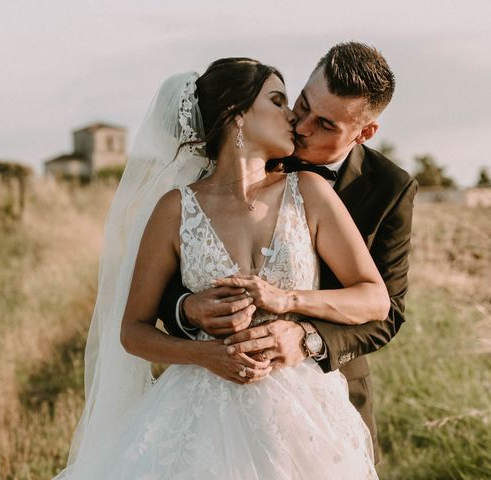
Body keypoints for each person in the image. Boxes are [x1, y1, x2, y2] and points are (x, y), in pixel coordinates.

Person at [54, 58, 388, 479]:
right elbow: (132, 331)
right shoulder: (175, 209)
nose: (293, 118)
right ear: (237, 115)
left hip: (303, 417)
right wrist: (204, 354)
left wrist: (288, 302)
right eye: (278, 100)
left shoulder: (310, 191)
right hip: (199, 420)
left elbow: (375, 298)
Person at [159, 42, 418, 464]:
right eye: (301, 104)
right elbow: (174, 270)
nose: (301, 126)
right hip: (212, 399)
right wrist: (188, 309)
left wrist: (306, 338)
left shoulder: (390, 188)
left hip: (326, 390)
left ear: (364, 133)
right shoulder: (246, 151)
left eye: (326, 124)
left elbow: (387, 311)